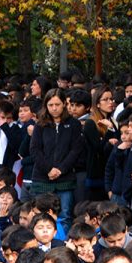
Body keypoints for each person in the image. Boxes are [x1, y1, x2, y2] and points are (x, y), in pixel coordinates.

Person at [30, 89, 83, 230]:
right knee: (40, 215)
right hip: (42, 178)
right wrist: (49, 169)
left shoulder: (74, 124)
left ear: (64, 104)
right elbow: (35, 150)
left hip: (65, 179)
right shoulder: (40, 125)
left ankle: (62, 248)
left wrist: (61, 169)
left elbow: (76, 150)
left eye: (57, 104)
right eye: (50, 105)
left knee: (64, 215)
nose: (54, 108)